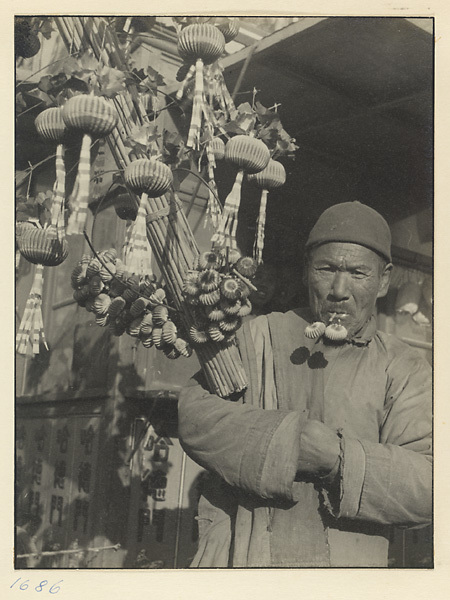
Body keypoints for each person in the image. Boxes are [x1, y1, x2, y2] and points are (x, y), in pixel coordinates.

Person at [178, 201, 432, 568]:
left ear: (384, 280)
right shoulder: (258, 335)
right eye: (326, 269)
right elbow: (196, 415)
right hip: (245, 563)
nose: (339, 290)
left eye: (359, 273)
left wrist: (337, 458)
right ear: (305, 271)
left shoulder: (404, 367)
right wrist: (286, 441)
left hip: (346, 571)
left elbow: (429, 486)